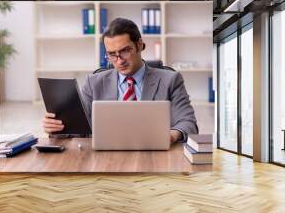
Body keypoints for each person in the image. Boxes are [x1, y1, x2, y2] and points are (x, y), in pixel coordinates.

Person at [43, 18, 198, 143]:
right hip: (105, 158)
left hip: (154, 156)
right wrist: (57, 128)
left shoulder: (170, 80)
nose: (119, 61)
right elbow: (78, 129)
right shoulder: (94, 82)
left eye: (125, 51)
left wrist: (170, 136)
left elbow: (188, 124)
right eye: (112, 54)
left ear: (139, 45)